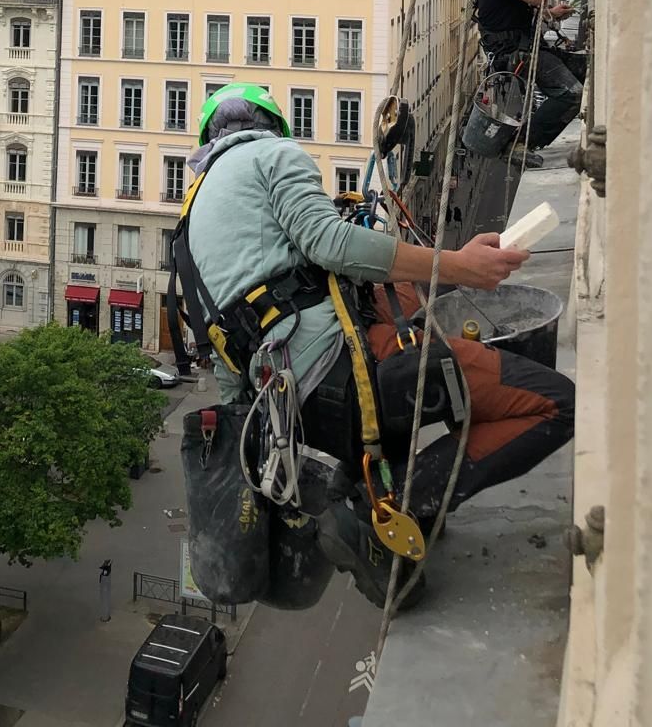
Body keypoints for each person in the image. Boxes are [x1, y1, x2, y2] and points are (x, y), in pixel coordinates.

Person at [182, 84, 575, 606]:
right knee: (556, 405)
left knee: (408, 302)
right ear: (271, 123)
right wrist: (458, 266)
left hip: (290, 408)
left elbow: (222, 360)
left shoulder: (189, 224)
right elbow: (331, 242)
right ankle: (392, 508)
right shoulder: (272, 153)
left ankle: (393, 519)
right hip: (345, 371)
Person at [475, 0, 588, 163]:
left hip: (521, 48)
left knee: (586, 68)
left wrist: (552, 14)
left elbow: (516, 13)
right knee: (571, 93)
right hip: (516, 52)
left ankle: (523, 140)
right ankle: (520, 143)